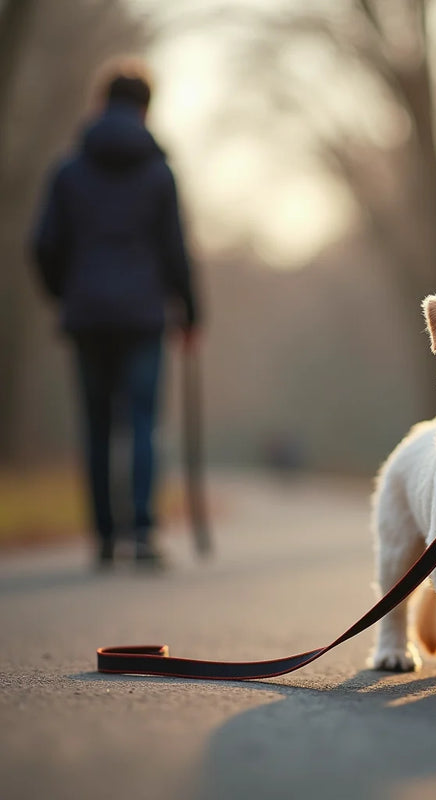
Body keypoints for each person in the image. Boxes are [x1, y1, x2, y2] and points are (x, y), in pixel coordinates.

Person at [30, 58, 200, 569]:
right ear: (146, 109)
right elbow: (175, 250)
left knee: (97, 423)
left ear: (101, 104)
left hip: (87, 315)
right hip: (144, 315)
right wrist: (190, 313)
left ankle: (104, 536)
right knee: (143, 422)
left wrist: (65, 293)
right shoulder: (158, 172)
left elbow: (42, 245)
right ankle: (142, 533)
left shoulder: (68, 170)